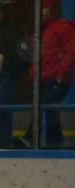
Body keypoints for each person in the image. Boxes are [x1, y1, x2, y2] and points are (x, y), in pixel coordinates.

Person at [24, 0, 75, 148]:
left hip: (55, 79)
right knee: (50, 111)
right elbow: (36, 58)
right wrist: (32, 76)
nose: (40, 11)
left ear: (52, 9)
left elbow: (72, 52)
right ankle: (55, 144)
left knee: (44, 106)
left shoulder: (63, 27)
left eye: (44, 7)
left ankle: (29, 137)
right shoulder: (39, 32)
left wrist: (61, 76)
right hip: (41, 80)